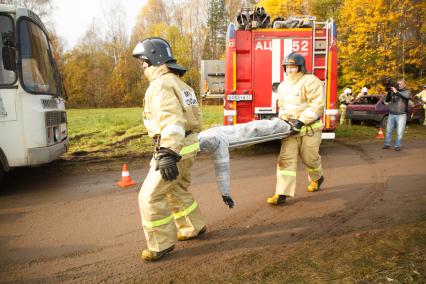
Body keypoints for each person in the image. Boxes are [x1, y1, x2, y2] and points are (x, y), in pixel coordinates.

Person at [132, 37, 207, 261]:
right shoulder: (180, 84)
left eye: (143, 61)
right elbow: (193, 118)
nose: (143, 66)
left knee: (149, 196)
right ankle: (194, 226)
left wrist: (167, 153)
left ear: (153, 58)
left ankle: (160, 244)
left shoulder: (160, 85)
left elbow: (172, 122)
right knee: (175, 190)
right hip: (189, 145)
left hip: (173, 148)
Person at [267, 52, 325, 205]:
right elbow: (283, 106)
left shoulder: (311, 81)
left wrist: (301, 122)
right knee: (285, 160)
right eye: (287, 67)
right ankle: (281, 193)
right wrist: (282, 121)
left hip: (309, 128)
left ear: (300, 67)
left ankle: (317, 178)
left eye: (292, 67)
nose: (289, 70)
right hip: (291, 130)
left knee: (310, 158)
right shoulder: (283, 85)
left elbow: (317, 105)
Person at [382, 79, 411, 151]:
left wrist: (397, 92)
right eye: (398, 84)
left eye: (400, 84)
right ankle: (387, 144)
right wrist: (389, 92)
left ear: (404, 84)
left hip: (401, 115)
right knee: (388, 130)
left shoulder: (407, 91)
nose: (398, 85)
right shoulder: (393, 91)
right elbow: (388, 100)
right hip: (391, 113)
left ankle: (397, 145)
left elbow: (406, 97)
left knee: (399, 131)